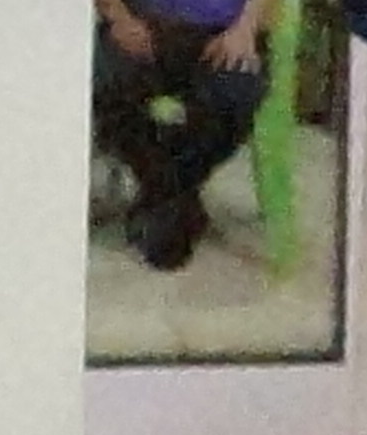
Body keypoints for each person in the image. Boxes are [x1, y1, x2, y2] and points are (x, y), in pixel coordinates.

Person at [96, 0, 271, 275]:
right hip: (140, 21)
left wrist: (245, 28)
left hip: (223, 31)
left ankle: (163, 197)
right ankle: (173, 195)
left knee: (236, 93)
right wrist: (118, 16)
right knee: (99, 84)